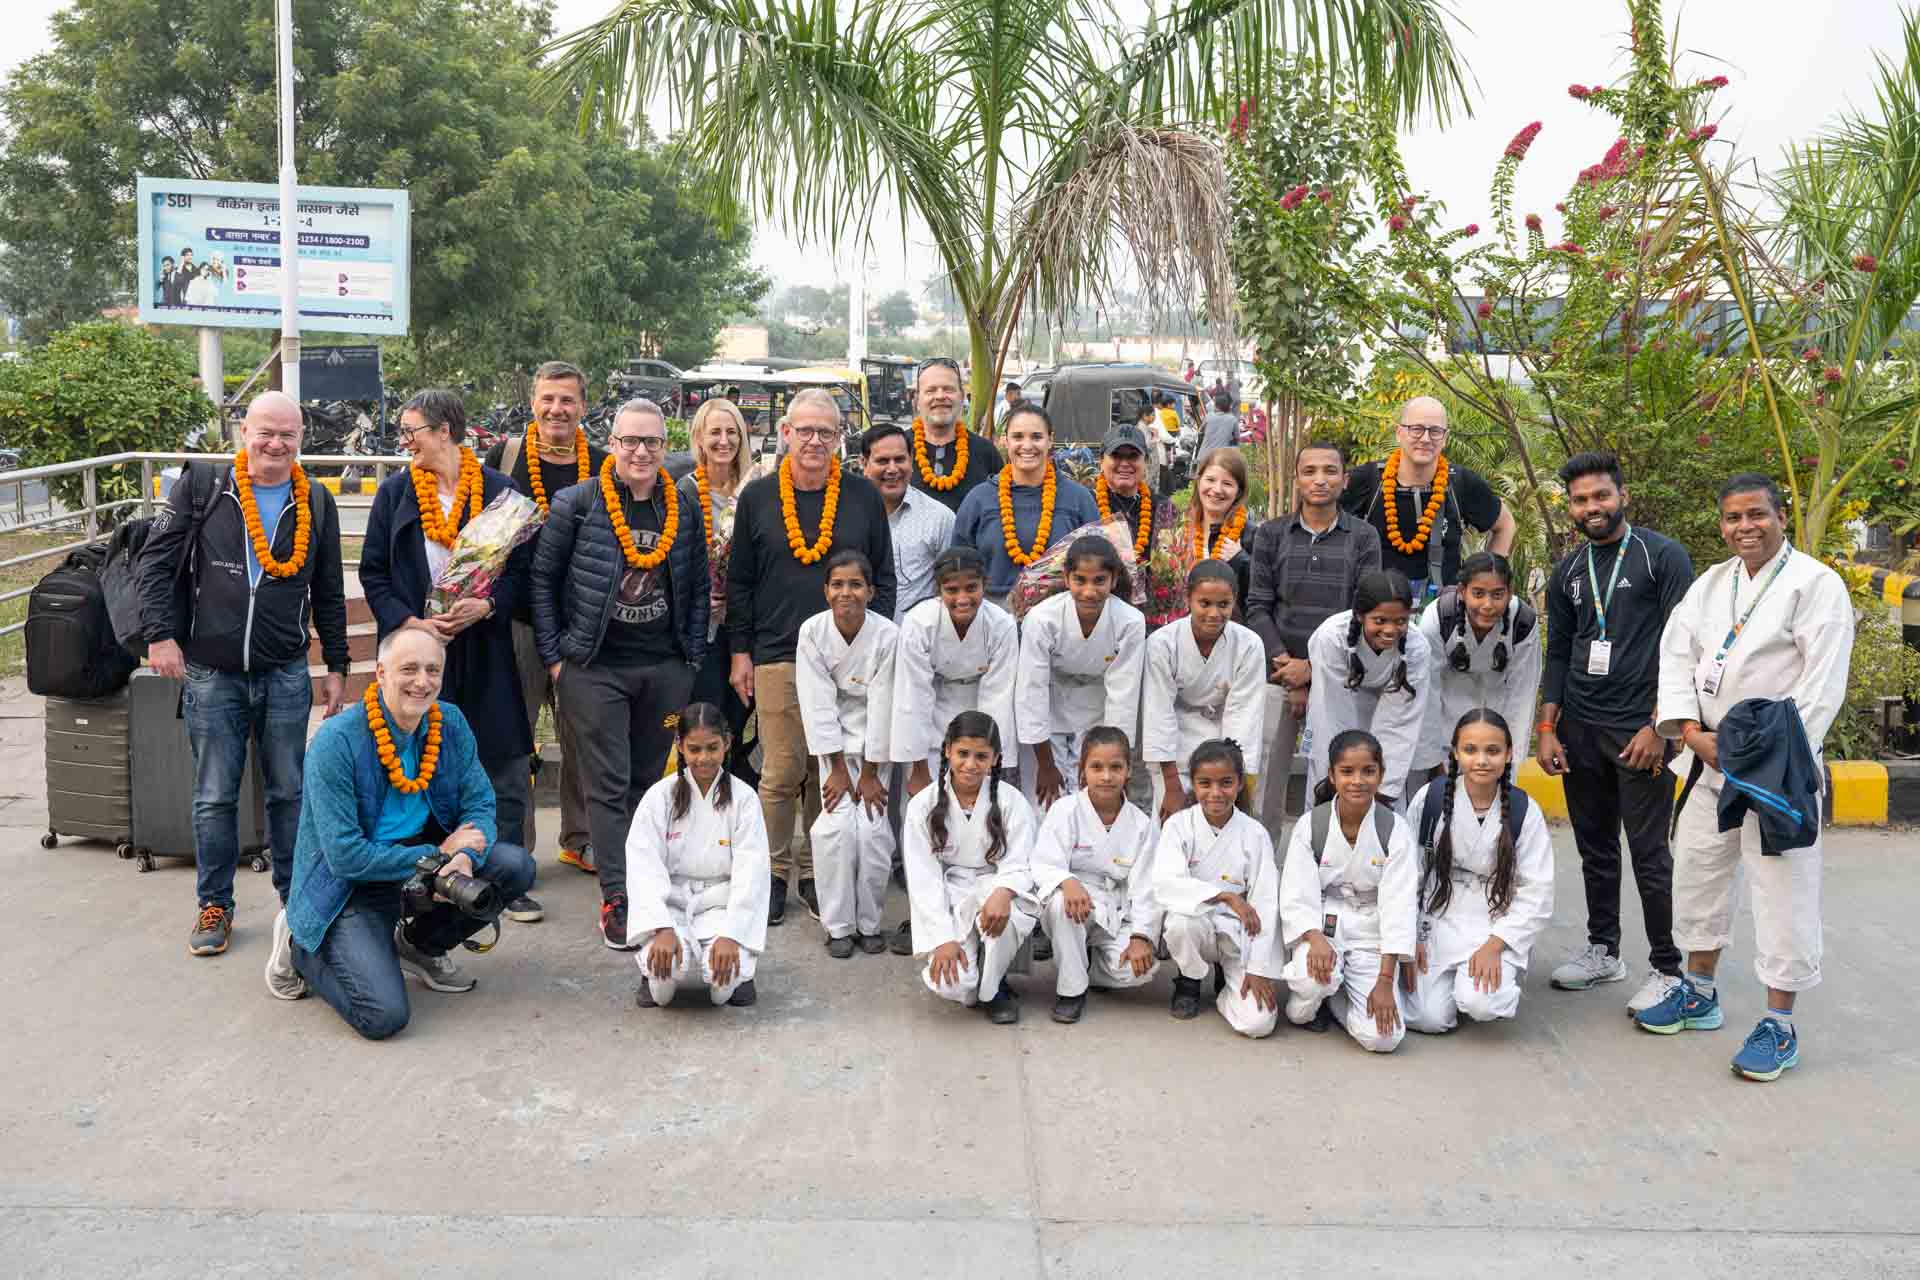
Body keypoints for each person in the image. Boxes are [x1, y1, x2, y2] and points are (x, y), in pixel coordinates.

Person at [1638, 473, 1853, 1082]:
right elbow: (1675, 657)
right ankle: (1699, 991)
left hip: (1774, 770)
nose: (1744, 527)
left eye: (1756, 514)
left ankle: (1779, 1024)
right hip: (1707, 759)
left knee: (1781, 892)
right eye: (1733, 518)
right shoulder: (1711, 584)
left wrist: (1749, 752)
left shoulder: (1816, 585)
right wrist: (1691, 733)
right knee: (1698, 871)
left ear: (1780, 515)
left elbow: (1820, 686)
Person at [138, 390, 351, 956]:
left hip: (284, 670)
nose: (276, 444)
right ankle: (215, 906)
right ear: (244, 433)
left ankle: (294, 899)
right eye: (266, 432)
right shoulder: (204, 486)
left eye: (288, 434)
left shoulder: (318, 503)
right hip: (212, 670)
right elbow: (155, 565)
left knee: (291, 792)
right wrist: (160, 636)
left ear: (301, 439)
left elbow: (329, 589)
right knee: (213, 795)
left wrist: (336, 665)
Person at [263, 628, 536, 1040]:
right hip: (348, 885)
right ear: (380, 673)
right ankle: (302, 947)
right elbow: (345, 856)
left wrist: (464, 860)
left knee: (514, 866)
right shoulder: (335, 742)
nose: (422, 682)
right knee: (384, 1016)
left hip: (420, 864)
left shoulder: (451, 723)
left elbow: (480, 803)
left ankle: (419, 945)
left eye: (433, 670)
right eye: (408, 669)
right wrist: (441, 852)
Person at [531, 397, 708, 949]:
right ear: (612, 443)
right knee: (607, 785)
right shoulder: (575, 504)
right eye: (630, 441)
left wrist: (691, 658)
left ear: (664, 447)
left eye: (652, 442)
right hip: (595, 667)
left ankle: (646, 881)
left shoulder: (682, 505)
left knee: (645, 783)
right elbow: (543, 582)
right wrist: (557, 658)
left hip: (663, 669)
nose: (640, 451)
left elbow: (698, 584)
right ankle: (618, 898)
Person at [361, 389, 540, 923]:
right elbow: (373, 573)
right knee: (415, 757)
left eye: (411, 430)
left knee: (503, 762)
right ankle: (425, 873)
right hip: (418, 655)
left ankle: (506, 874)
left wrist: (486, 605)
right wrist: (410, 624)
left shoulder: (499, 491)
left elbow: (526, 578)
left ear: (444, 431)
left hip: (483, 649)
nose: (404, 442)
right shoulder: (395, 494)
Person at [729, 388, 896, 927]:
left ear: (840, 437)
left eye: (827, 432)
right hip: (778, 651)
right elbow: (740, 583)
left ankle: (815, 873)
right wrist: (740, 653)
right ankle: (774, 873)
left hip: (850, 656)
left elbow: (883, 578)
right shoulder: (757, 498)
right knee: (782, 770)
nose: (815, 441)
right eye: (805, 430)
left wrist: (873, 641)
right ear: (785, 434)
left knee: (830, 766)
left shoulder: (862, 496)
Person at [1537, 452, 1695, 1012]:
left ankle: (1669, 969)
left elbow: (1685, 648)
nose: (1591, 508)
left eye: (1601, 496)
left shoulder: (1662, 558)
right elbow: (1558, 651)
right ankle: (1604, 951)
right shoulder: (1571, 571)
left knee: (1650, 853)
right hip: (1580, 730)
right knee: (1595, 847)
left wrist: (1662, 726)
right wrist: (1548, 727)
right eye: (1580, 500)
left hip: (1641, 733)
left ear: (1621, 495)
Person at [481, 360, 609, 873]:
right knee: (513, 738)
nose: (557, 409)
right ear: (533, 401)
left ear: (584, 405)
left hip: (581, 625)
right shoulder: (504, 456)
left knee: (584, 735)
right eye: (548, 399)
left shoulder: (602, 463)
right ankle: (515, 851)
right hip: (516, 622)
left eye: (568, 400)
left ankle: (579, 839)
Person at [1246, 441, 1382, 830]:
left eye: (1329, 471)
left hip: (1339, 677)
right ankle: (1263, 875)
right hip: (1278, 676)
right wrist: (1289, 669)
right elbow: (1258, 605)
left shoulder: (1363, 537)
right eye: (1309, 472)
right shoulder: (1271, 535)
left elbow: (1364, 611)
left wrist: (1314, 669)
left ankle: (1327, 869)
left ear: (1344, 479)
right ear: (1297, 480)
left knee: (1337, 776)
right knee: (1267, 781)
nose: (1319, 480)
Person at [888, 545, 1019, 953]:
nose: (963, 598)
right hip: (931, 715)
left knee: (980, 817)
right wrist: (917, 766)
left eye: (972, 588)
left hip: (980, 714)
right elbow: (911, 694)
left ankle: (984, 907)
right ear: (938, 589)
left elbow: (999, 695)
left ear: (984, 585)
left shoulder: (1000, 623)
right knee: (926, 817)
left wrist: (992, 760)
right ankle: (922, 914)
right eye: (952, 589)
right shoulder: (919, 622)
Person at [1404, 710, 1555, 1033]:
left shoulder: (1524, 810)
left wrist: (1496, 944)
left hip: (1494, 921)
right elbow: (1408, 874)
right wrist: (1411, 933)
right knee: (1428, 1019)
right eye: (1471, 750)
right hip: (1439, 917)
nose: (1482, 760)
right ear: (1455, 753)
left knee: (1480, 1004)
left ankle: (1481, 984)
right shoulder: (1429, 799)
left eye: (1493, 751)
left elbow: (1537, 891)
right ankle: (1451, 987)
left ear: (1509, 754)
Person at [1278, 729, 1418, 1052]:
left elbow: (1399, 905)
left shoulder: (1395, 830)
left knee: (1384, 1038)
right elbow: (1297, 894)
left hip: (1372, 929)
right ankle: (1313, 1002)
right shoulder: (1312, 825)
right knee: (1310, 986)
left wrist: (1385, 980)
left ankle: (1339, 1001)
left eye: (1368, 771)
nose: (1358, 781)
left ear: (1381, 775)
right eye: (1347, 771)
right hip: (1323, 923)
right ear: (1332, 774)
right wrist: (1315, 939)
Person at [626, 703, 772, 1009]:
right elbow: (643, 864)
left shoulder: (745, 799)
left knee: (721, 991)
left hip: (721, 904)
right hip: (671, 902)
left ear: (727, 744)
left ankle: (739, 973)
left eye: (712, 748)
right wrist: (661, 927)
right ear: (679, 746)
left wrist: (732, 934)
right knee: (663, 989)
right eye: (693, 749)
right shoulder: (659, 797)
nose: (703, 758)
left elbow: (752, 872)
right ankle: (651, 969)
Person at [901, 710, 1039, 1024]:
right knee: (954, 985)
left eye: (981, 756)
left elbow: (1022, 860)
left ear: (995, 759)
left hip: (998, 888)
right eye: (963, 754)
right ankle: (975, 966)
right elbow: (924, 879)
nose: (970, 764)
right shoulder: (922, 805)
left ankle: (995, 988)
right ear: (947, 750)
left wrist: (1003, 892)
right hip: (951, 894)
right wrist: (942, 938)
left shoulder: (1011, 801)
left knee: (1007, 916)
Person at [796, 551, 898, 958]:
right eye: (837, 584)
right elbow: (817, 701)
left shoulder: (888, 635)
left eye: (856, 585)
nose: (846, 593)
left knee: (872, 831)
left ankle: (869, 923)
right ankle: (838, 926)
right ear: (825, 590)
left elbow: (885, 701)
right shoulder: (812, 632)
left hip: (876, 746)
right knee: (834, 830)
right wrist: (837, 769)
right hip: (833, 745)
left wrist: (870, 772)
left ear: (871, 591)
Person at [1030, 727, 1159, 1023]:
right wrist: (1068, 881)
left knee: (1140, 970)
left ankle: (1088, 964)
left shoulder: (1141, 824)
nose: (1106, 776)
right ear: (1082, 770)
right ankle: (1072, 990)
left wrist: (1141, 937)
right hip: (1073, 905)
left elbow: (1145, 887)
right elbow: (1042, 863)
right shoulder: (1065, 811)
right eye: (1097, 767)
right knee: (1064, 906)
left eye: (1116, 767)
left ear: (1128, 771)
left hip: (1116, 909)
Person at [1154, 738, 1281, 1037]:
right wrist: (1225, 896)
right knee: (1181, 922)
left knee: (1258, 1023)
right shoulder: (1178, 825)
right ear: (1193, 785)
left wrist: (1259, 968)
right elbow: (1166, 883)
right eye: (1205, 783)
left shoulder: (1255, 833)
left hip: (1239, 935)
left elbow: (1266, 902)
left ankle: (1227, 986)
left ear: (1239, 784)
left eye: (1225, 783)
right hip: (1196, 926)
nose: (1215, 793)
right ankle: (1189, 979)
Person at [1340, 396, 1515, 603]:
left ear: (1445, 437)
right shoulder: (1368, 480)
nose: (1425, 438)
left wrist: (1488, 582)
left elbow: (1505, 524)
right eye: (1416, 429)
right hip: (1377, 612)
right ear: (1399, 433)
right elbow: (1327, 525)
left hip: (1442, 613)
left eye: (1435, 431)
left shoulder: (1461, 482)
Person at [1014, 535, 1146, 809]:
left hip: (1099, 714)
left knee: (1094, 803)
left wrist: (1111, 761)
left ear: (1114, 579)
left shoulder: (1130, 621)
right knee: (1045, 807)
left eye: (1099, 580)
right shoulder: (1041, 619)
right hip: (1049, 712)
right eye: (1080, 580)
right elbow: (1032, 690)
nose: (1089, 591)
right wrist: (1046, 765)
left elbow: (1123, 695)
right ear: (1066, 577)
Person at [1410, 552, 1541, 801]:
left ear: (1510, 591)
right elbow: (1428, 693)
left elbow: (1522, 697)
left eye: (1497, 594)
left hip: (1498, 720)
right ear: (1462, 591)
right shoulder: (1438, 618)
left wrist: (1508, 762)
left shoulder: (1523, 622)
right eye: (1478, 593)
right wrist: (1434, 760)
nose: (1488, 605)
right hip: (1445, 723)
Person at [1141, 561, 1266, 821]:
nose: (1214, 614)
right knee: (1171, 822)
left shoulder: (1249, 644)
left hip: (1223, 735)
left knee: (1221, 819)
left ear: (1234, 601)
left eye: (1224, 605)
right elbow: (1159, 711)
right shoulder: (1162, 643)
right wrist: (1171, 784)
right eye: (1204, 603)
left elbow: (1242, 714)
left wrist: (1232, 775)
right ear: (1188, 599)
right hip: (1173, 741)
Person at [680, 397, 762, 781]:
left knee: (743, 715)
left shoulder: (757, 488)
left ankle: (739, 795)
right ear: (699, 437)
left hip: (750, 622)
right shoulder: (683, 491)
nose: (724, 440)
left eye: (733, 432)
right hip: (705, 628)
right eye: (715, 431)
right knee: (705, 715)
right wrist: (702, 592)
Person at [1302, 570, 1432, 808]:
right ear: (1360, 615)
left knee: (1384, 807)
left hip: (1388, 713)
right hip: (1337, 709)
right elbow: (1333, 714)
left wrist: (1383, 790)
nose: (1391, 630)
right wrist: (1341, 777)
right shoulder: (1332, 637)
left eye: (1401, 621)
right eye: (1380, 621)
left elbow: (1400, 723)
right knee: (1331, 804)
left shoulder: (1417, 647)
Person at [952, 403, 1099, 607]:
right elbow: (959, 565)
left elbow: (1098, 563)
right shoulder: (979, 499)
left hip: (1061, 612)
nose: (1027, 445)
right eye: (1018, 436)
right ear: (1005, 440)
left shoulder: (1078, 499)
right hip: (991, 615)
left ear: (1050, 440)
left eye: (1036, 437)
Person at [859, 423, 954, 621]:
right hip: (860, 643)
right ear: (864, 463)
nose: (892, 469)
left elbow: (952, 587)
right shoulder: (847, 515)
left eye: (900, 459)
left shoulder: (939, 518)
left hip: (919, 644)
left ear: (911, 462)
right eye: (883, 461)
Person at [909, 357, 1003, 512]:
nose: (940, 396)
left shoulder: (986, 452)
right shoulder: (898, 449)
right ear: (917, 400)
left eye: (948, 389)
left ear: (962, 396)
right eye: (931, 390)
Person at [1182, 447, 1252, 613]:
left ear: (1238, 491)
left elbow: (1260, 595)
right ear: (1199, 482)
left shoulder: (1250, 536)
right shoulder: (1180, 529)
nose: (1217, 489)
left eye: (1227, 483)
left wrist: (1242, 561)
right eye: (1210, 480)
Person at [1090, 424, 1161, 568]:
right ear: (1101, 461)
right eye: (1116, 455)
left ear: (1146, 461)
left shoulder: (1162, 508)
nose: (1124, 463)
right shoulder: (1086, 503)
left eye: (1133, 456)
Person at [1199, 390, 1240, 458]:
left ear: (1216, 405)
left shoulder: (1209, 416)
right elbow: (1237, 438)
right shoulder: (1233, 419)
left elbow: (1200, 431)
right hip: (1219, 459)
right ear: (1230, 406)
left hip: (1203, 457)